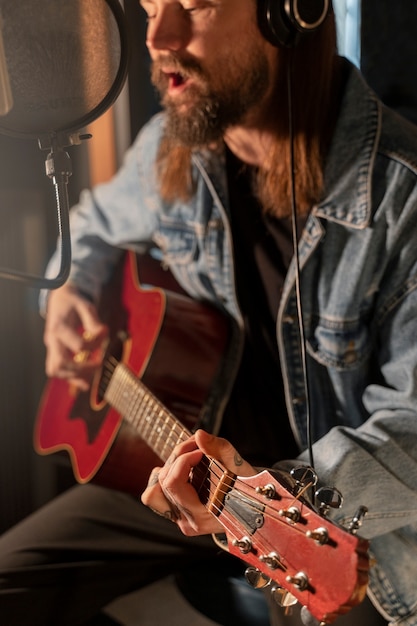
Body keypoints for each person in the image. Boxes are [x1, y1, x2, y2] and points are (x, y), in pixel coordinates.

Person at [1, 0, 417, 625]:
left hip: (324, 520)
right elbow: (86, 227)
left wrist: (288, 492)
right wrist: (62, 294)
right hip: (178, 477)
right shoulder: (169, 149)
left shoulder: (402, 196)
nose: (156, 38)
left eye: (193, 5)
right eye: (146, 9)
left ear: (290, 14)